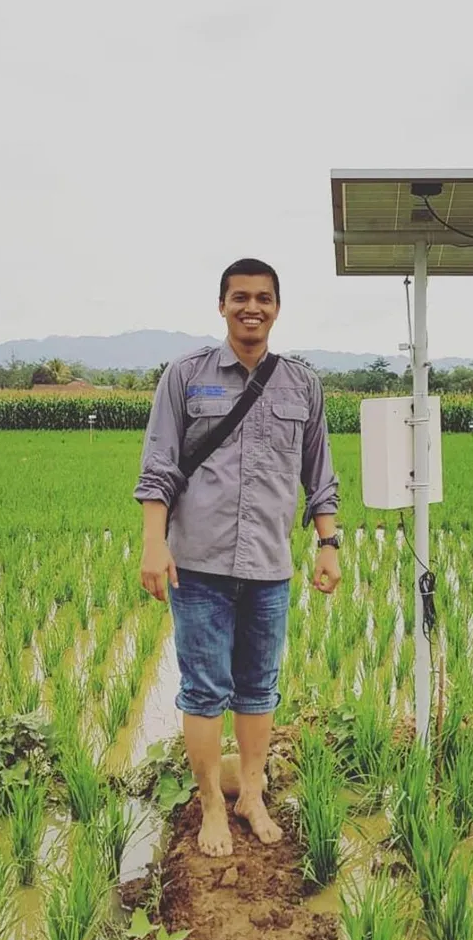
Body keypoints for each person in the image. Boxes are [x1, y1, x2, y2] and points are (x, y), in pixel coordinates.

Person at [133, 257, 341, 858]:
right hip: (196, 564)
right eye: (240, 297)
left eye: (264, 298)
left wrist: (328, 544)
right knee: (203, 691)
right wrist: (153, 542)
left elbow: (318, 473)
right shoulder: (186, 375)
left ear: (277, 307)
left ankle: (251, 794)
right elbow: (159, 467)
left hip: (270, 565)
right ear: (221, 305)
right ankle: (213, 805)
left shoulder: (302, 383)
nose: (252, 307)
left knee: (258, 688)